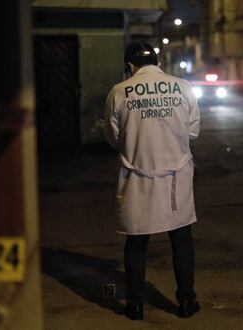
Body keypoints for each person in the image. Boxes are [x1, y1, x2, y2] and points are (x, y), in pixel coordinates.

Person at [104, 43, 201, 320]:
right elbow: (193, 131)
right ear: (157, 63)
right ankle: (186, 301)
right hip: (176, 177)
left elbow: (114, 138)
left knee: (137, 241)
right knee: (181, 239)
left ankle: (135, 305)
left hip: (137, 176)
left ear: (129, 66)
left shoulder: (119, 91)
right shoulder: (182, 87)